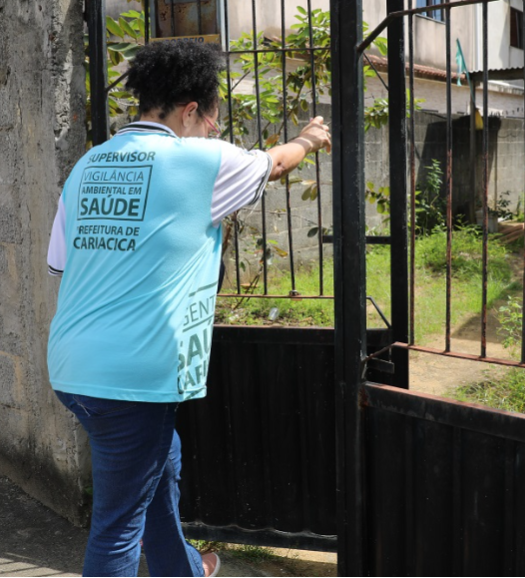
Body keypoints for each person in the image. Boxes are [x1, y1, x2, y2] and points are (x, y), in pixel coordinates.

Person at [45, 39, 331, 577]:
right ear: (190, 110)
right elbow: (273, 164)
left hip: (72, 367)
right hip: (134, 377)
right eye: (213, 119)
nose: (216, 131)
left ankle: (184, 569)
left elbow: (60, 265)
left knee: (160, 460)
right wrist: (308, 138)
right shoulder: (200, 160)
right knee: (117, 525)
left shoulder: (88, 166)